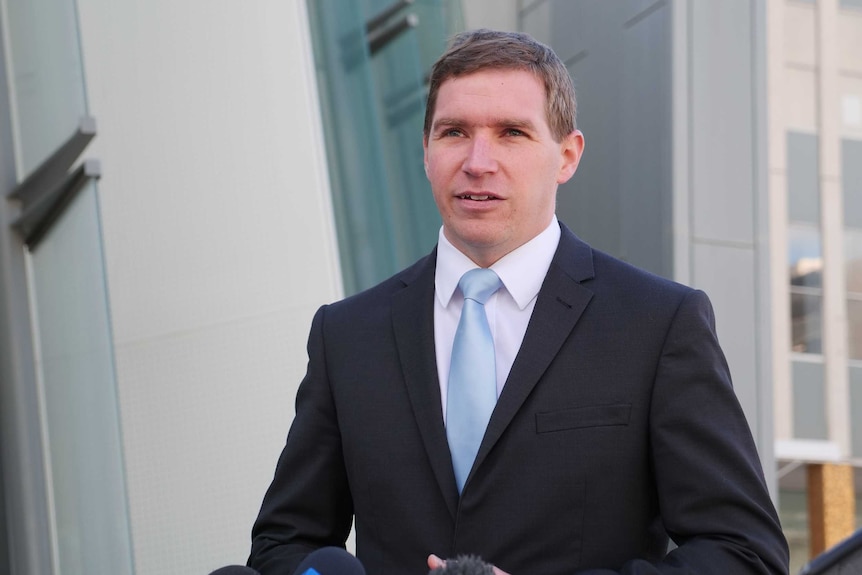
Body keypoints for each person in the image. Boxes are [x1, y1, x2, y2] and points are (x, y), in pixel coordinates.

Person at [247, 29, 789, 575]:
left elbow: (744, 553)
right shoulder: (348, 334)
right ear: (426, 151)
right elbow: (283, 542)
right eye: (454, 131)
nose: (478, 161)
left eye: (511, 133)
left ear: (567, 156)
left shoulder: (657, 324)